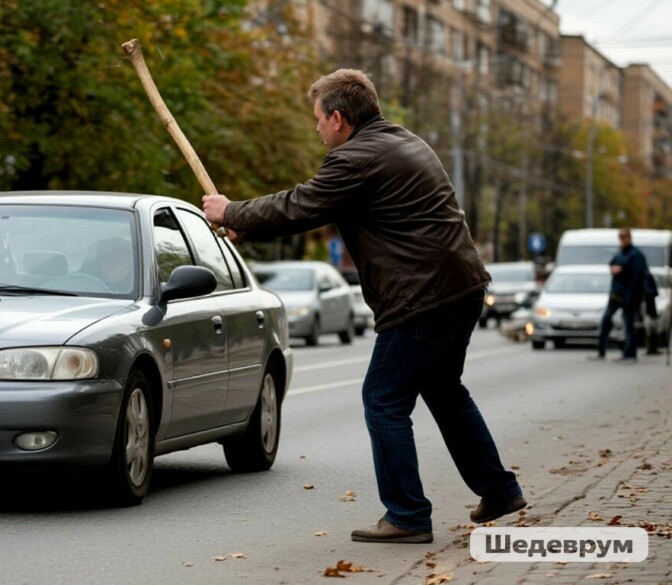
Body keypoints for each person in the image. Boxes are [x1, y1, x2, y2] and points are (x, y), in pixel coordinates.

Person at [202, 69, 523, 544]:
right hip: (459, 288)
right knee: (444, 390)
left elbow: (302, 204)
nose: (315, 129)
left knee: (383, 399)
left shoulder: (356, 158)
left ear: (338, 118)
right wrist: (247, 224)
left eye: (317, 119)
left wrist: (231, 212)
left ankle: (408, 516)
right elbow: (317, 208)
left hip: (423, 297)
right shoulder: (401, 141)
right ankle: (498, 489)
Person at [591, 228, 650, 363]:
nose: (622, 241)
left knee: (629, 324)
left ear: (629, 238)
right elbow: (613, 263)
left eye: (624, 238)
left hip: (629, 294)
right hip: (616, 293)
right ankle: (601, 350)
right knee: (606, 319)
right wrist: (614, 268)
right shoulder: (620, 253)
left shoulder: (635, 254)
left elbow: (639, 275)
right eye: (620, 238)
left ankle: (630, 353)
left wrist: (622, 269)